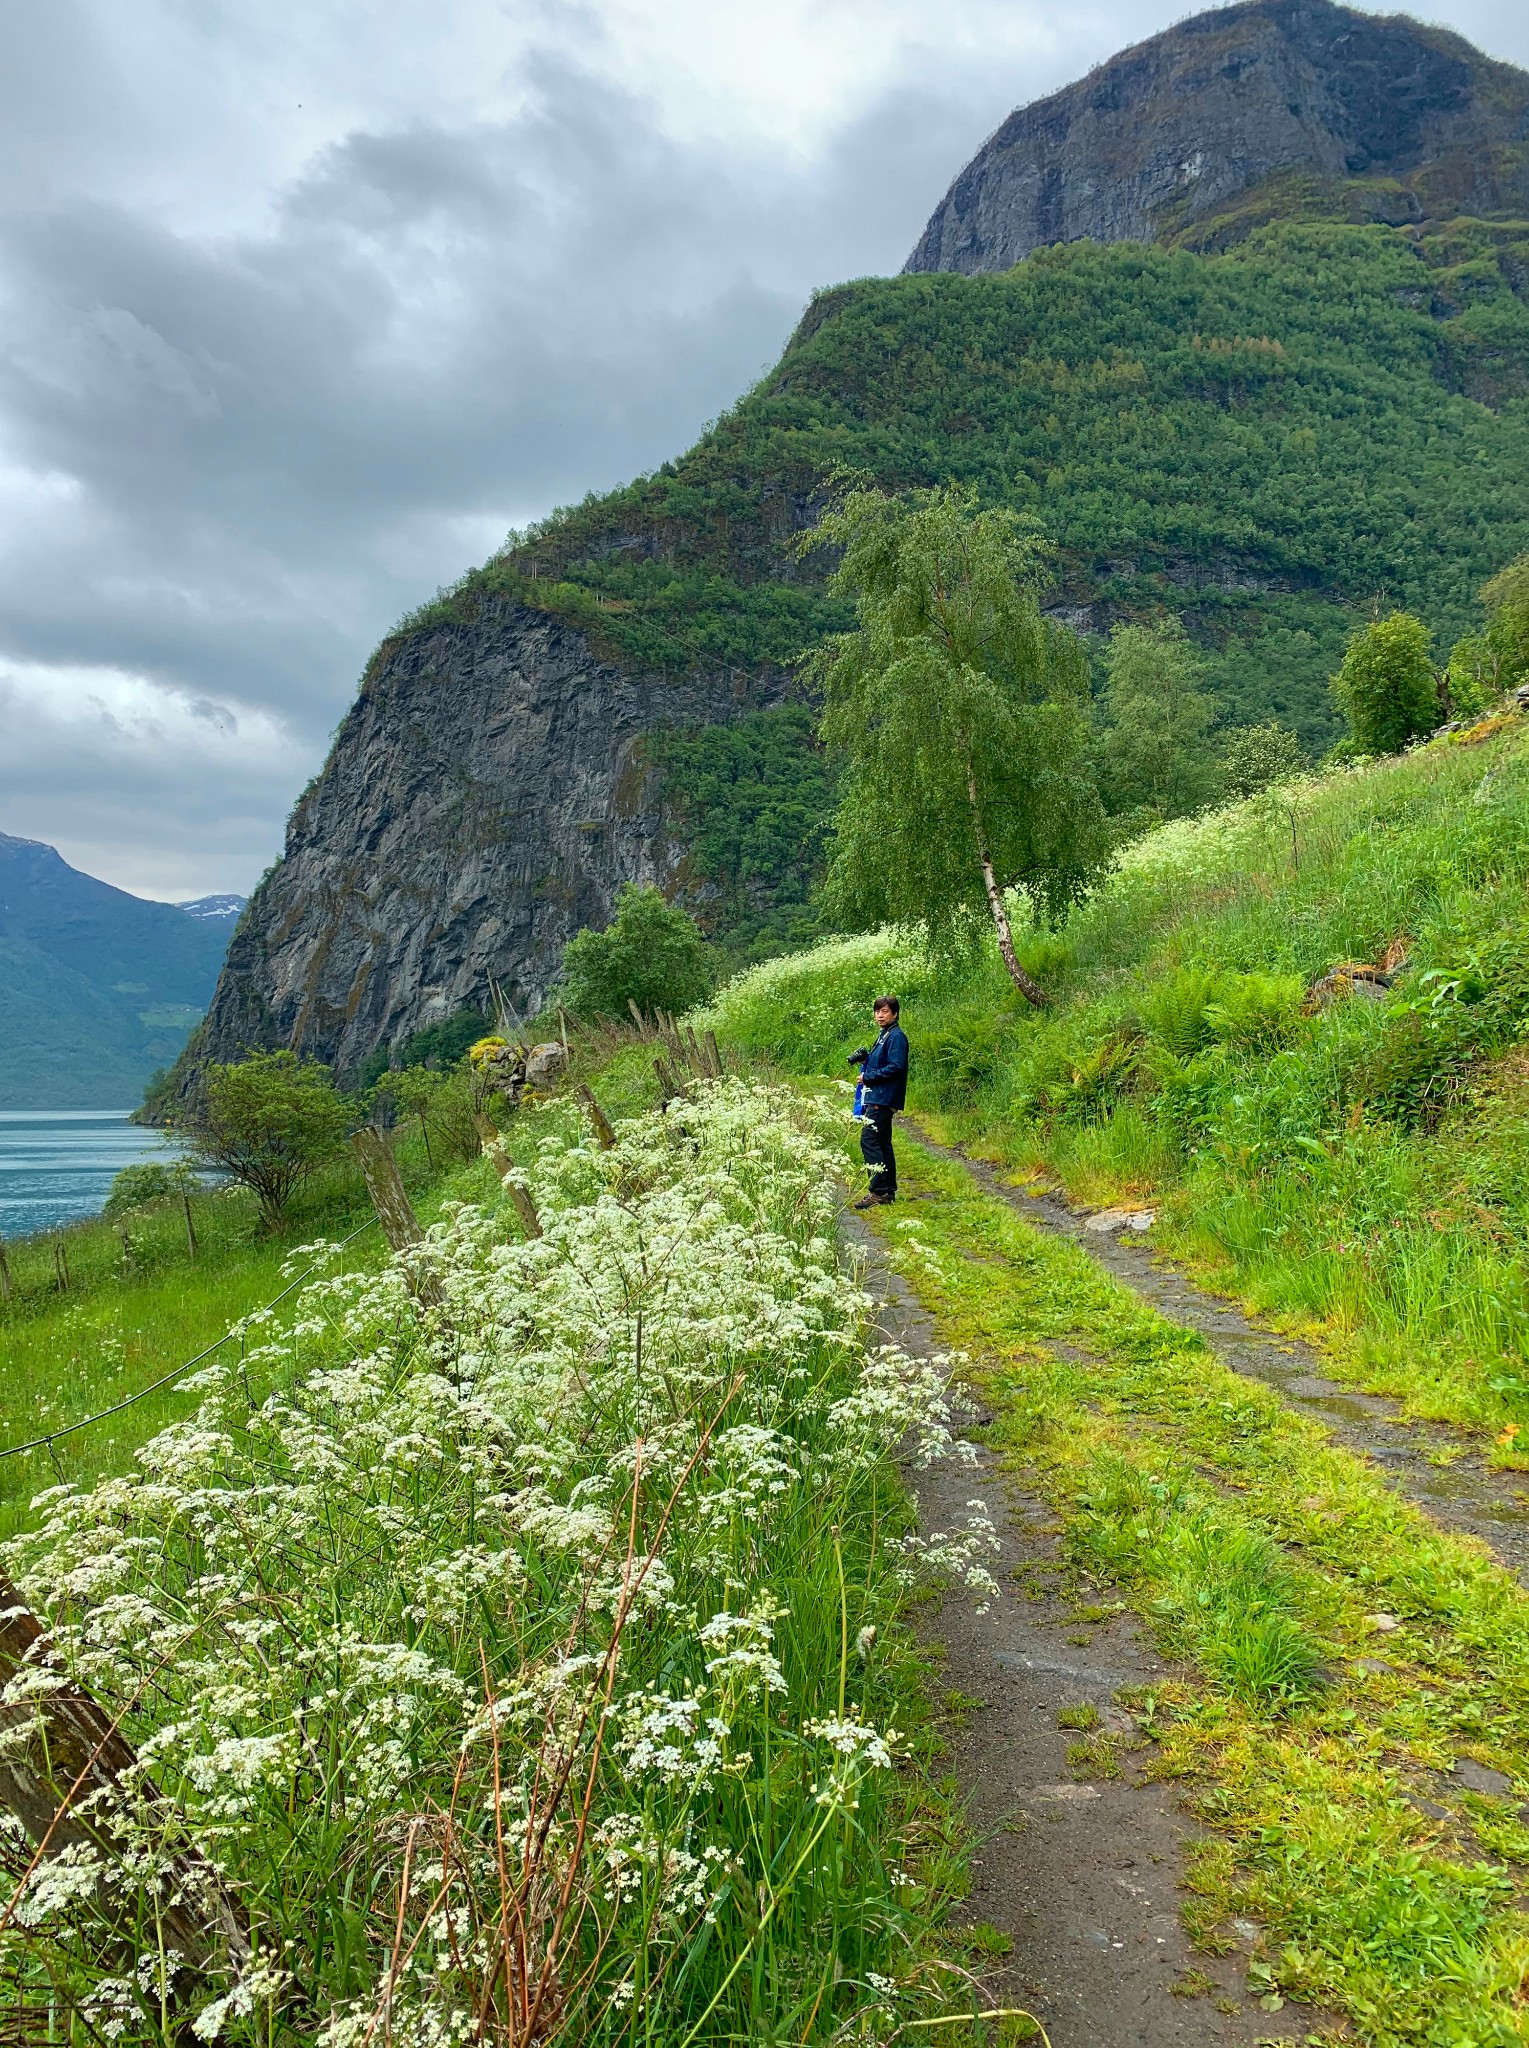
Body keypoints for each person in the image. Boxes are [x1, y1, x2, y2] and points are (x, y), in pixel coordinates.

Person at [849, 996, 909, 1209]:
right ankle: (887, 1191)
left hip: (882, 1097)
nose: (880, 1015)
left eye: (884, 1011)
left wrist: (869, 1076)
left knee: (869, 1140)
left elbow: (896, 1067)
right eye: (877, 1011)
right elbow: (886, 1063)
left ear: (895, 1013)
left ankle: (878, 1191)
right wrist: (867, 1061)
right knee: (883, 1142)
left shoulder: (897, 1037)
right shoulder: (886, 1034)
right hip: (879, 1096)